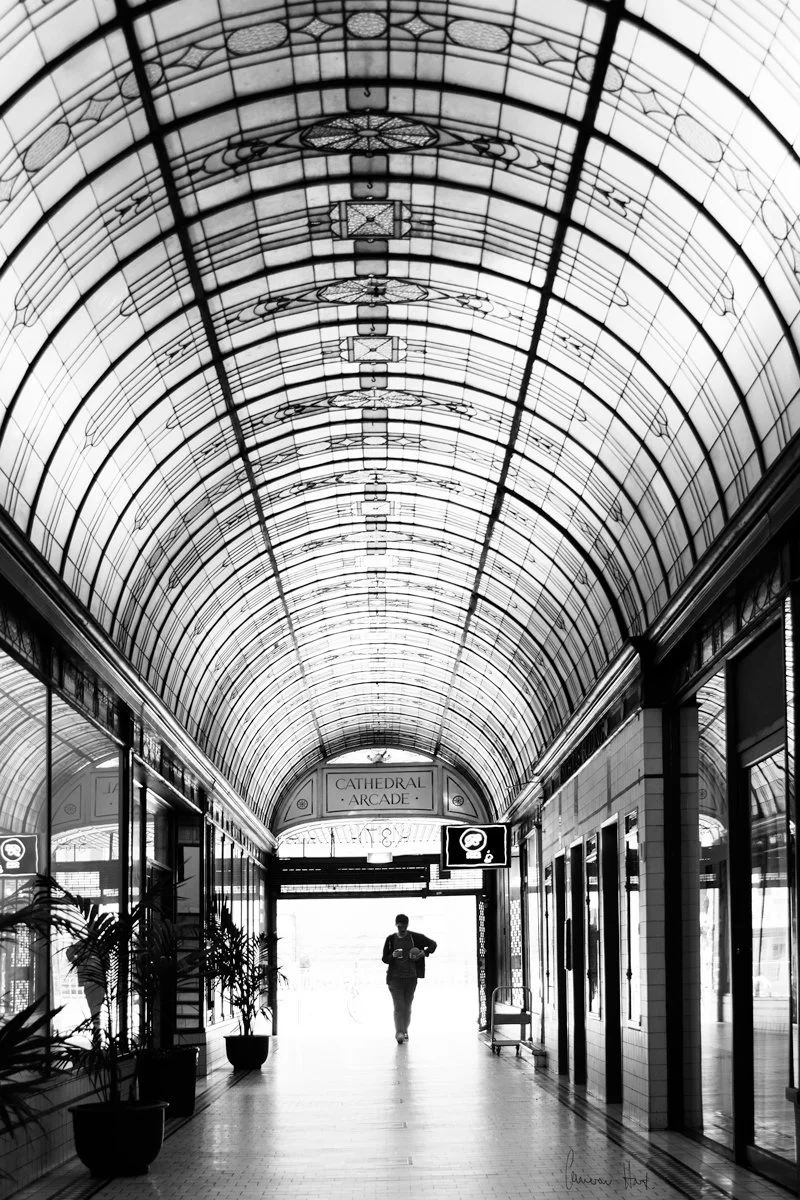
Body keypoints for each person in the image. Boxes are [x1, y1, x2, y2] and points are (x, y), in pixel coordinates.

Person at [381, 913, 437, 1043]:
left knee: (407, 1006)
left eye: (404, 926)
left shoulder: (415, 937)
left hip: (411, 978)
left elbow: (433, 944)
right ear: (396, 925)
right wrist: (392, 956)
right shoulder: (390, 939)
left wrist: (423, 953)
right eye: (400, 926)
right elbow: (385, 958)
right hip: (394, 979)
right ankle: (399, 1032)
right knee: (398, 1006)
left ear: (407, 925)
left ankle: (405, 1030)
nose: (402, 929)